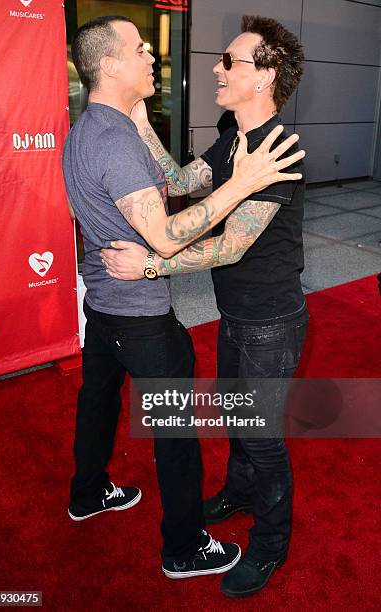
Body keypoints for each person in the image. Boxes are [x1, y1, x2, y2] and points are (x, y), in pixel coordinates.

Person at [63, 15, 304, 581]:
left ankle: (270, 544)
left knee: (259, 432)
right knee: (237, 416)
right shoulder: (232, 141)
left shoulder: (278, 151)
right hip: (234, 313)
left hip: (269, 319)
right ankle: (238, 494)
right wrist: (143, 125)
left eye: (231, 61)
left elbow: (230, 246)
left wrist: (150, 263)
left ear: (265, 77)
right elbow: (178, 183)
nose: (216, 68)